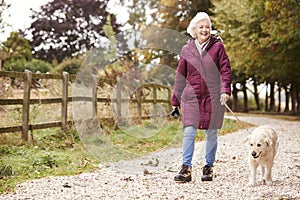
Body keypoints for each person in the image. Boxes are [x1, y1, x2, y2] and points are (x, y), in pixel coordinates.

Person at [172, 12, 232, 182]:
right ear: (194, 30)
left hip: (213, 97)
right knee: (189, 131)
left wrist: (225, 90)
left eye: (207, 27)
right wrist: (175, 101)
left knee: (211, 132)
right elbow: (180, 76)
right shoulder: (186, 49)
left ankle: (208, 167)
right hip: (191, 97)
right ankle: (186, 168)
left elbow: (225, 70)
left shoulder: (218, 47)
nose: (205, 29)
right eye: (201, 27)